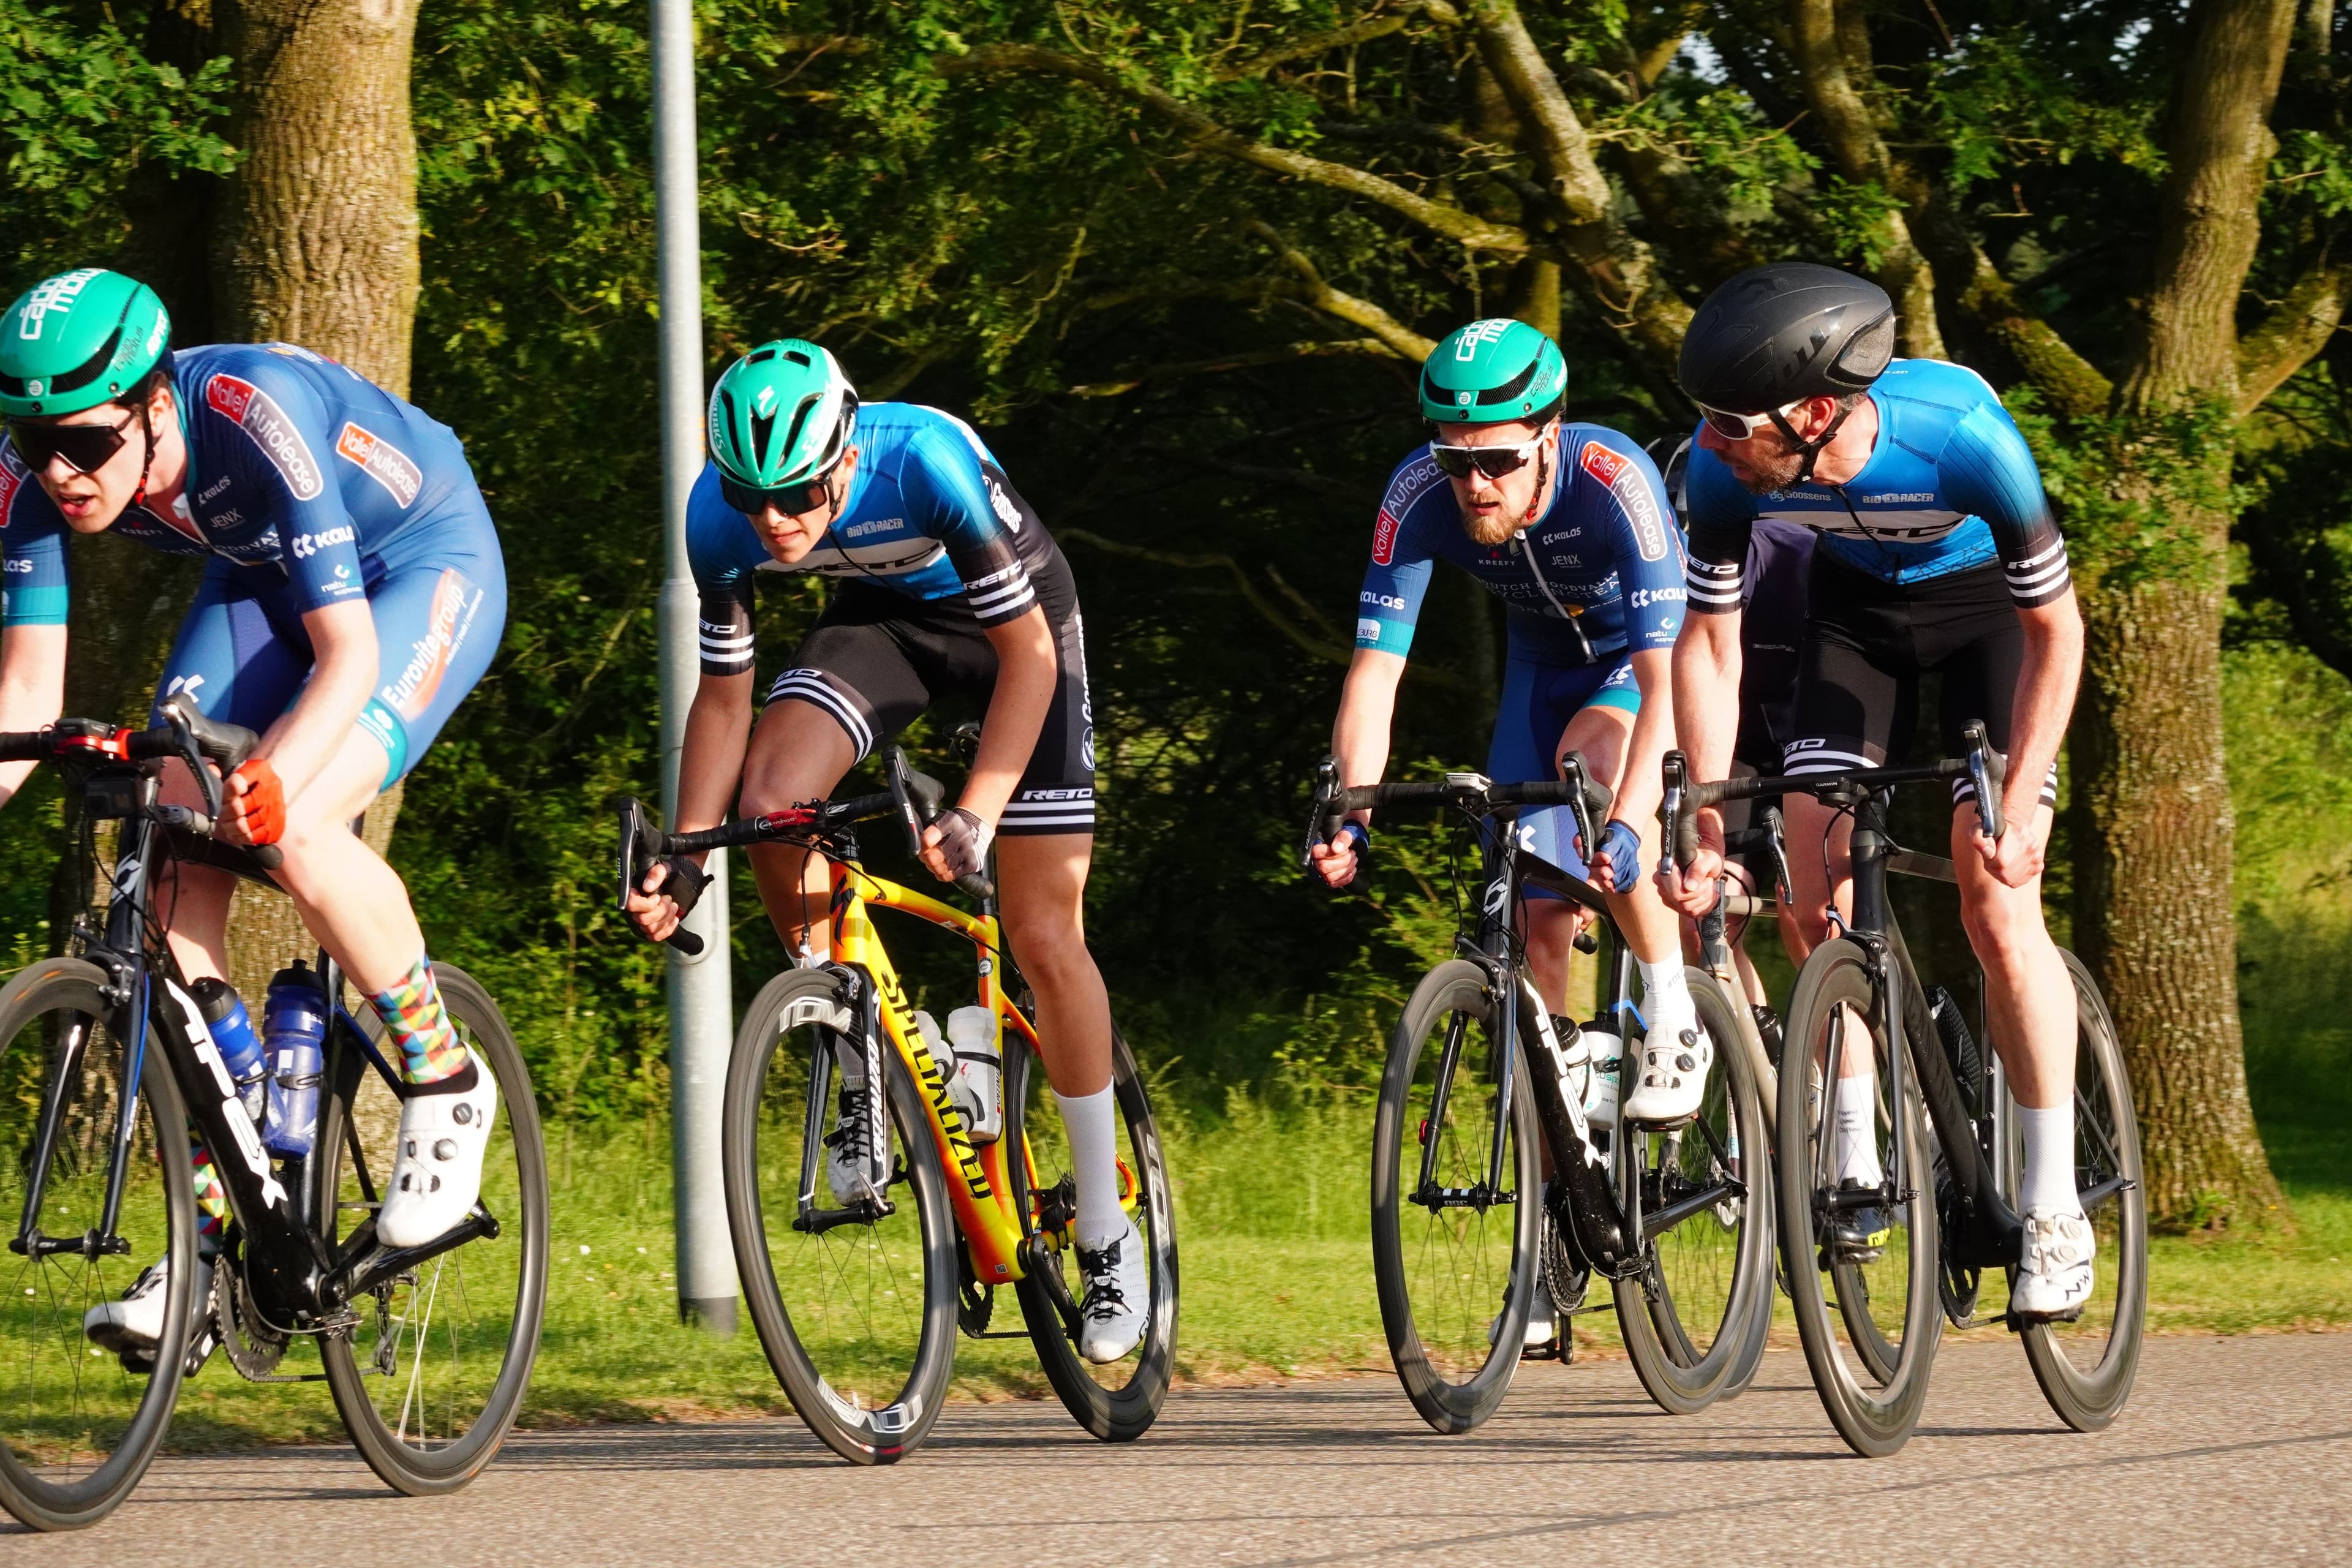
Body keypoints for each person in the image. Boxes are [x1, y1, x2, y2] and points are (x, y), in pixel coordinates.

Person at [0, 268, 508, 1360]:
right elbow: (27, 696)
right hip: (263, 580)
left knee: (295, 818)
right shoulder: (28, 478)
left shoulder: (251, 412)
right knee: (166, 848)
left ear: (155, 403)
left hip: (418, 565)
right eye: (35, 443)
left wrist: (277, 775)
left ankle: (446, 1076)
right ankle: (217, 1232)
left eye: (84, 445)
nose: (58, 473)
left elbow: (350, 655)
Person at [619, 340, 1144, 1363]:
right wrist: (686, 859)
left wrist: (979, 812)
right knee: (773, 807)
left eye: (799, 493)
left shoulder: (923, 464)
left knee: (1042, 932)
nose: (775, 520)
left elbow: (1030, 657)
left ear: (847, 459)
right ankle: (863, 1051)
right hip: (882, 629)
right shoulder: (716, 516)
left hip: (1019, 637)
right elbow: (724, 701)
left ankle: (1104, 1227)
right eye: (753, 496)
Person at [1659, 262, 2092, 1319]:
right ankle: (1855, 1150)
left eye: (1729, 422)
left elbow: (2056, 630)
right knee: (1814, 896)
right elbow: (1708, 645)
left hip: (1990, 619)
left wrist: (2023, 799)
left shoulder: (1961, 436)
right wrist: (1705, 817)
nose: (1709, 440)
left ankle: (2053, 1206)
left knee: (1995, 903)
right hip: (1856, 621)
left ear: (1812, 414)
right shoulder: (1724, 468)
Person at [1306, 318, 1703, 1287]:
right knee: (1532, 922)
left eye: (1498, 461)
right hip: (1540, 666)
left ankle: (1673, 1011)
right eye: (1456, 459)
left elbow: (1666, 685)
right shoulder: (1416, 494)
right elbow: (1375, 673)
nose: (1474, 483)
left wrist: (1630, 820)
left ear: (1550, 435)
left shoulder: (1615, 481)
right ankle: (1559, 1197)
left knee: (1586, 772)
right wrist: (1351, 808)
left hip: (1638, 665)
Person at [1650, 435, 1815, 1052]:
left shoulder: (1795, 558)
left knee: (1810, 915)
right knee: (1707, 913)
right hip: (1736, 747)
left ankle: (1853, 1068)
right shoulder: (1661, 592)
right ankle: (1763, 1069)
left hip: (1812, 736)